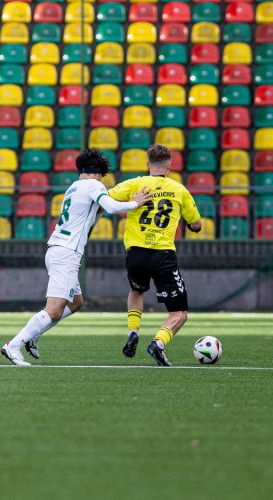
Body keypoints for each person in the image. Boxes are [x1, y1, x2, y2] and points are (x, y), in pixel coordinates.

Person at [1, 148, 152, 366]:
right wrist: (135, 203)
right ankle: (13, 345)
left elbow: (93, 213)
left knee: (76, 303)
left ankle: (34, 334)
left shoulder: (74, 188)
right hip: (66, 253)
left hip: (58, 249)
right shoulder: (94, 185)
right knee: (54, 309)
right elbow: (110, 207)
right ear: (97, 173)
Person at [109, 144, 202, 366]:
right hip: (163, 255)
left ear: (148, 164)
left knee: (136, 290)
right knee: (179, 313)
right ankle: (158, 343)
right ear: (169, 166)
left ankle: (133, 330)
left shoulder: (135, 184)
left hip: (136, 253)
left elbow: (106, 199)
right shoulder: (179, 190)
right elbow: (196, 225)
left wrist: (129, 205)